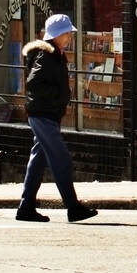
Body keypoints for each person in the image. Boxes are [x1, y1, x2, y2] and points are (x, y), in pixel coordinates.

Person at [16, 14, 98, 223]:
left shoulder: (56, 54)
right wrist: (55, 98)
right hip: (43, 114)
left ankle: (26, 208)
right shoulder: (47, 55)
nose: (70, 36)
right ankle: (73, 207)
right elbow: (34, 83)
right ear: (57, 35)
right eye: (67, 32)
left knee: (38, 160)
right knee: (61, 159)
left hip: (45, 114)